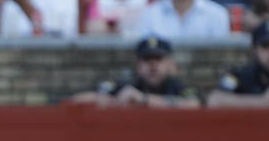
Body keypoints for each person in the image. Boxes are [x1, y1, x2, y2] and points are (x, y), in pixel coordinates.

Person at [70, 36, 202, 107]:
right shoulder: (126, 86)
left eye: (158, 59)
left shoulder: (177, 87)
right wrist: (115, 101)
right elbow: (76, 100)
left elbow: (195, 104)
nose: (153, 65)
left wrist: (143, 99)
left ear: (169, 64)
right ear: (138, 66)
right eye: (147, 59)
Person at [207, 18, 269, 106]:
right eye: (265, 46)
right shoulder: (241, 73)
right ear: (254, 49)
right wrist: (262, 101)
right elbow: (214, 99)